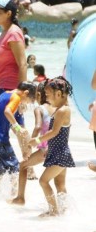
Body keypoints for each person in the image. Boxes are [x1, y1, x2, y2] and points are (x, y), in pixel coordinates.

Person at [0, 0, 29, 181]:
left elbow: (23, 64)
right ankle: (25, 167)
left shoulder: (14, 32)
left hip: (10, 90)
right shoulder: (5, 31)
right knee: (17, 128)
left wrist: (21, 93)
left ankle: (4, 171)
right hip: (3, 88)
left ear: (9, 13)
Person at [27, 77, 75, 217]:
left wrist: (37, 140)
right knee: (59, 183)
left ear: (58, 94)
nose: (46, 98)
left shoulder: (63, 111)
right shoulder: (60, 109)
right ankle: (64, 210)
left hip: (60, 153)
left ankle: (53, 211)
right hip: (58, 152)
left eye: (48, 95)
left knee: (43, 181)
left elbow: (54, 132)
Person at [0, 81, 36, 192]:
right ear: (26, 93)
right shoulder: (16, 98)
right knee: (14, 167)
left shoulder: (4, 94)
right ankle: (14, 193)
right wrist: (18, 128)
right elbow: (7, 111)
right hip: (0, 138)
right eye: (29, 101)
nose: (26, 104)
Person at [10, 81, 54, 205]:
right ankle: (61, 208)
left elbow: (38, 127)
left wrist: (31, 143)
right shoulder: (56, 108)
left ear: (39, 95)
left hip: (45, 149)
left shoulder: (39, 108)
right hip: (58, 148)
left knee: (23, 165)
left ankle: (20, 198)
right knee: (59, 182)